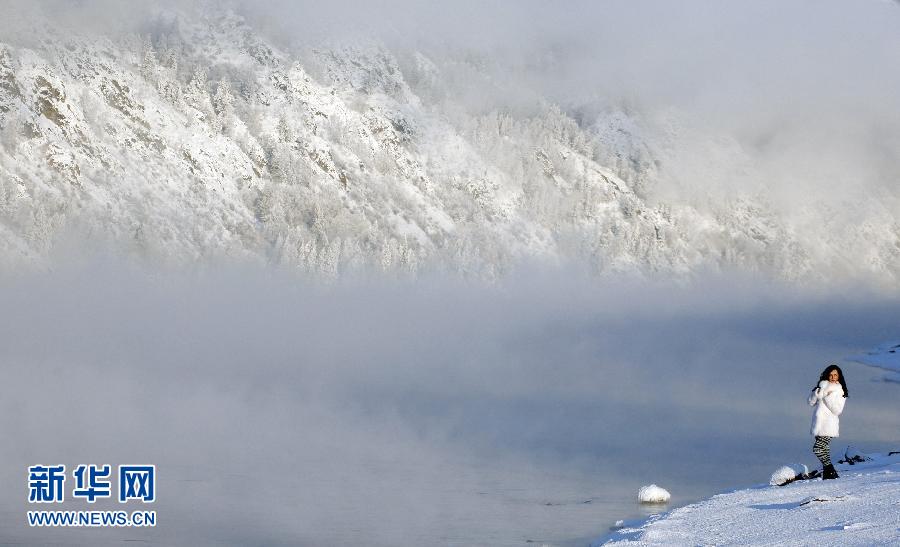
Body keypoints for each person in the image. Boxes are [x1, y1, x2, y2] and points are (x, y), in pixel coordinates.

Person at [808, 364, 848, 479]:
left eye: (835, 375)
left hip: (829, 425)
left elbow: (837, 410)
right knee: (824, 449)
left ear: (839, 376)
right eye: (830, 375)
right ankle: (829, 474)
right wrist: (817, 393)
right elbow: (810, 402)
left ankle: (830, 470)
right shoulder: (822, 387)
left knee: (817, 448)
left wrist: (827, 397)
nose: (833, 377)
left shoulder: (840, 391)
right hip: (818, 424)